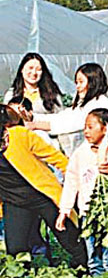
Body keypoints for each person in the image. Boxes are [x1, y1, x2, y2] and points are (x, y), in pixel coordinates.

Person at [0, 105, 87, 267]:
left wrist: (73, 183)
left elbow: (56, 157)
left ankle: (89, 270)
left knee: (69, 239)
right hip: (15, 202)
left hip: (42, 195)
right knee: (16, 249)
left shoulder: (19, 135)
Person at [55, 109, 108, 276]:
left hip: (107, 214)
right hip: (87, 213)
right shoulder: (80, 154)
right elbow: (71, 183)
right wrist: (64, 211)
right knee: (93, 256)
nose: (86, 131)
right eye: (85, 127)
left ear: (105, 128)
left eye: (91, 127)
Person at [28, 62, 108, 156]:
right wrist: (33, 117)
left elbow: (72, 124)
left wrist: (37, 125)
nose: (78, 87)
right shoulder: (83, 103)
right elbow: (62, 117)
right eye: (76, 82)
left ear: (93, 82)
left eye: (81, 82)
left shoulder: (101, 104)